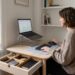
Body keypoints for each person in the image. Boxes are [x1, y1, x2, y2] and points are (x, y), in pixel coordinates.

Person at [41, 7, 75, 75]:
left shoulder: (70, 35)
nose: (59, 20)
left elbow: (63, 60)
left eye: (61, 17)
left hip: (68, 70)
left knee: (43, 64)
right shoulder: (72, 31)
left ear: (67, 19)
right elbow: (70, 48)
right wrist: (59, 43)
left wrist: (50, 50)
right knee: (49, 60)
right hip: (71, 66)